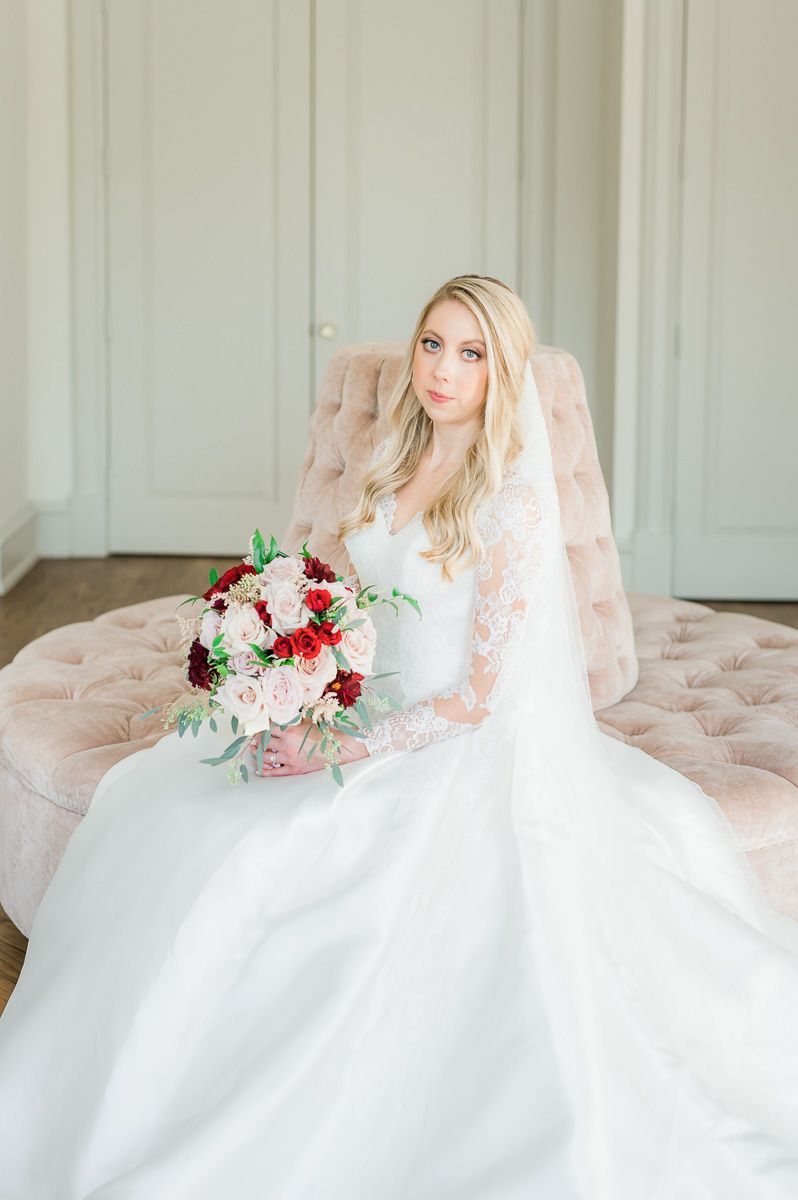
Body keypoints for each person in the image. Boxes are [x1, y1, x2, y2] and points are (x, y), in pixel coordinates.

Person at [0, 275, 796, 1199]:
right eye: (432, 344)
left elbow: (479, 701)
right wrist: (285, 672)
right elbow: (345, 602)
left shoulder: (510, 502)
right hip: (358, 709)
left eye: (471, 353)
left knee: (293, 858)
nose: (443, 370)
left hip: (447, 749)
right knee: (166, 813)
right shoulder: (392, 458)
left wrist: (332, 750)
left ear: (503, 373)